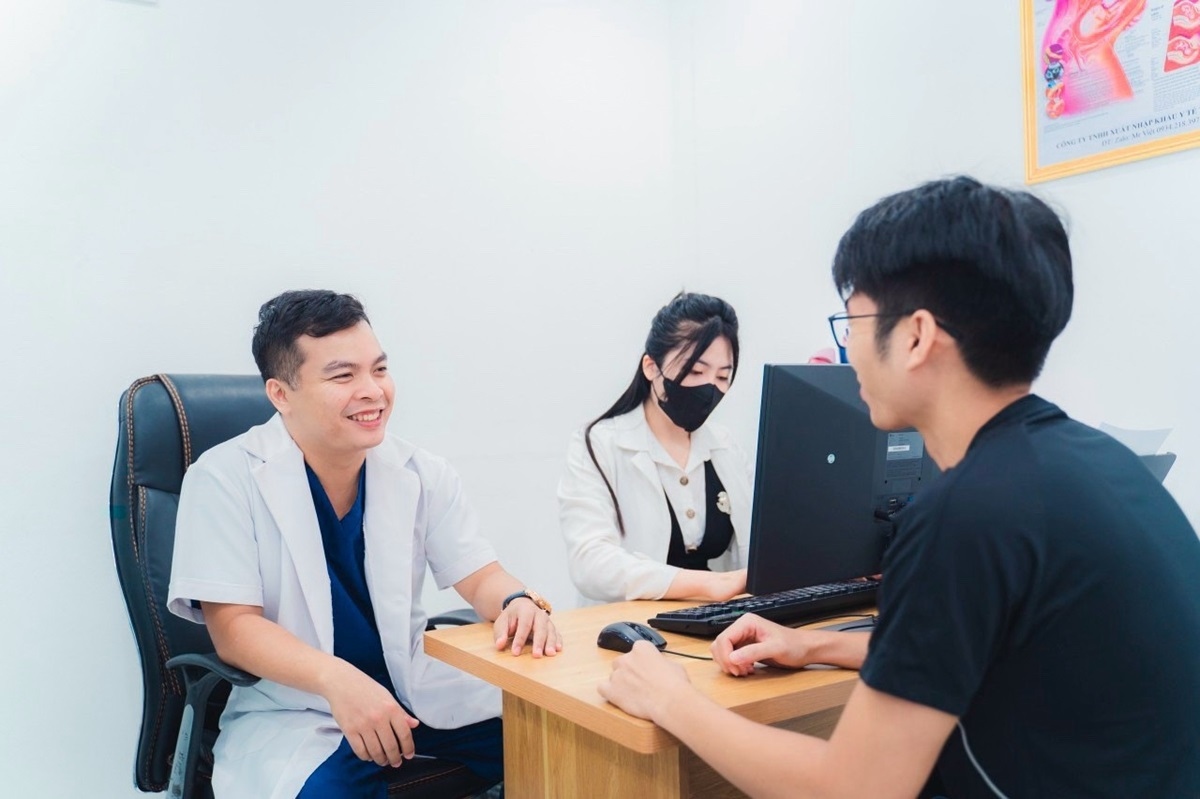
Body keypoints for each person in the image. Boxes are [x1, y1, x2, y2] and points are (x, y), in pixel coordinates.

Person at [597, 177, 1200, 798]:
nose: (848, 348)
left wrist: (671, 700)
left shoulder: (964, 515)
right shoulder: (1104, 465)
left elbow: (853, 790)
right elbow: (997, 651)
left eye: (853, 321)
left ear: (915, 336)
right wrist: (814, 645)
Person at [167, 290, 562, 799]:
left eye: (379, 369)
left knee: (565, 734)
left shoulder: (420, 472)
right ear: (281, 394)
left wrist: (516, 601)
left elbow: (480, 575)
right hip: (301, 707)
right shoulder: (224, 478)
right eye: (343, 376)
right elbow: (235, 629)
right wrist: (339, 681)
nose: (373, 391)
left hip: (414, 689)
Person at [558, 292, 753, 604]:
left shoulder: (726, 447)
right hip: (629, 625)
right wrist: (709, 585)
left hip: (718, 622)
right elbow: (590, 564)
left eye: (722, 376)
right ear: (651, 367)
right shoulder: (598, 443)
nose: (709, 387)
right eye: (695, 371)